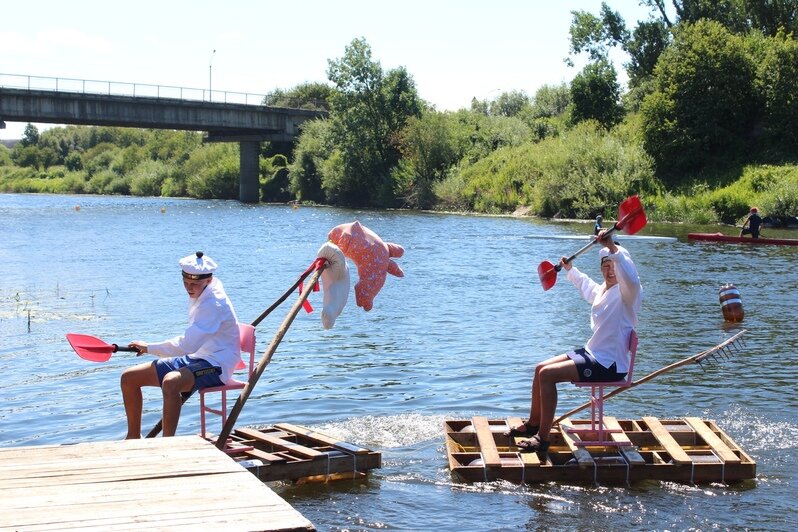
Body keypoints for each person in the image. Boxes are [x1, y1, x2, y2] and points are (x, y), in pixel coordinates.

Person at [505, 230, 642, 455]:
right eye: (605, 265)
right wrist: (570, 269)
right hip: (593, 353)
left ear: (621, 265)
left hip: (609, 365)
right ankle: (533, 424)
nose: (610, 270)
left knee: (548, 376)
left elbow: (632, 277)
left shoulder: (629, 293)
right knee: (540, 368)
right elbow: (587, 287)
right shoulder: (604, 290)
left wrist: (613, 250)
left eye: (613, 265)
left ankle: (543, 438)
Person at [120, 251, 241, 438]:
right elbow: (190, 347)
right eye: (186, 282)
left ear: (208, 281)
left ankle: (168, 444)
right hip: (197, 358)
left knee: (171, 382)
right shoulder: (203, 291)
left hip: (218, 363)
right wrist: (150, 348)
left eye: (194, 284)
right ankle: (133, 438)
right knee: (129, 378)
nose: (189, 288)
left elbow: (187, 345)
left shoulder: (214, 303)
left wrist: (149, 348)